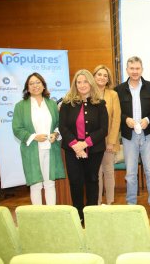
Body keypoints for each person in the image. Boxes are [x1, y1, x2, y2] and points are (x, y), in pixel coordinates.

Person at [59, 69, 108, 220]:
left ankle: (91, 215)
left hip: (94, 150)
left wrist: (85, 144)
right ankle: (78, 215)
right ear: (75, 84)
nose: (82, 85)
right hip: (72, 150)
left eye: (85, 81)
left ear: (91, 83)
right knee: (75, 182)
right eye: (78, 82)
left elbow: (103, 129)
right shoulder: (67, 103)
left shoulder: (100, 104)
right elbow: (63, 127)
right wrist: (76, 145)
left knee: (92, 180)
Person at [115, 56, 150, 215]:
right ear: (127, 70)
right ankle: (131, 204)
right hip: (129, 136)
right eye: (132, 68)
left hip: (148, 135)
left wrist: (147, 119)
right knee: (131, 172)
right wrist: (125, 119)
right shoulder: (118, 90)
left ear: (142, 69)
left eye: (137, 68)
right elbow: (116, 112)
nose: (135, 71)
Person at [12, 72, 65, 205]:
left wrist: (55, 134)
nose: (35, 85)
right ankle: (37, 216)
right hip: (32, 150)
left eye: (38, 82)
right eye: (31, 83)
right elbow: (17, 129)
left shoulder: (52, 104)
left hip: (50, 148)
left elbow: (59, 124)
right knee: (35, 184)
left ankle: (51, 215)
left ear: (43, 85)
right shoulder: (20, 106)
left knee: (50, 183)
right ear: (27, 87)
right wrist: (34, 137)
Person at [93, 65, 121, 205]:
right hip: (92, 141)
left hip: (108, 140)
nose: (102, 77)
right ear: (93, 76)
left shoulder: (113, 94)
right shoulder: (87, 93)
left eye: (105, 75)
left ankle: (110, 202)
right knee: (96, 174)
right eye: (99, 74)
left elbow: (116, 119)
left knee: (108, 172)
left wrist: (111, 141)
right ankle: (97, 204)